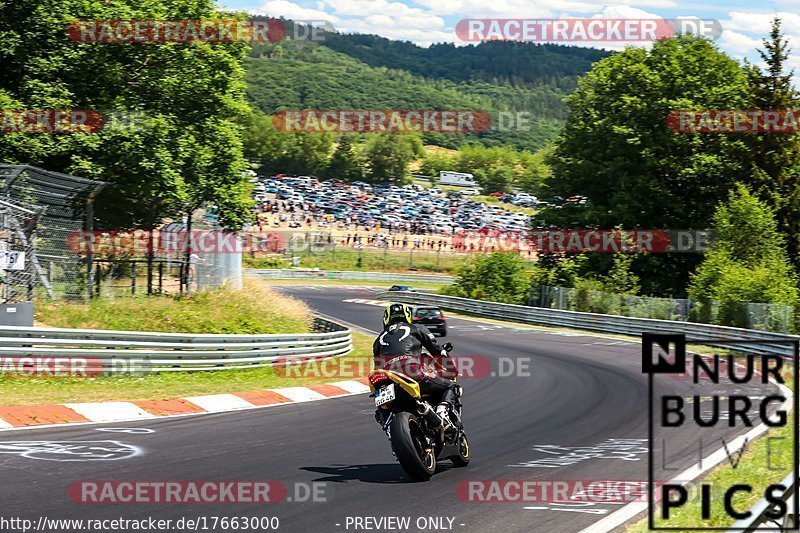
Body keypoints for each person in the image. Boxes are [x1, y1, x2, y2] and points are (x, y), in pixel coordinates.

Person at [373, 303, 458, 428]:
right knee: (452, 386)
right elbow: (438, 351)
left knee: (382, 408)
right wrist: (451, 369)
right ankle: (442, 413)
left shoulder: (378, 340)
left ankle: (388, 427)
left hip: (387, 379)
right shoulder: (417, 328)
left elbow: (377, 367)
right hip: (412, 372)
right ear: (408, 316)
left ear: (386, 319)